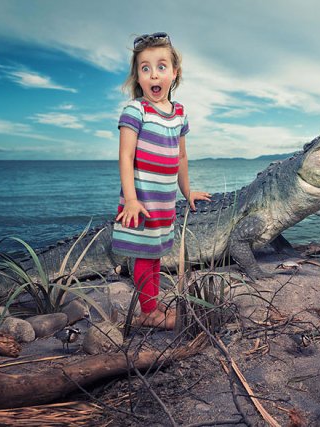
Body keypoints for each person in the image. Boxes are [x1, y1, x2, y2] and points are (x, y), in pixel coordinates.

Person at [112, 32, 210, 329]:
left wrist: (187, 190)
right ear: (137, 77)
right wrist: (130, 199)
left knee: (155, 254)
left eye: (161, 66)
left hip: (165, 199)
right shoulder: (136, 110)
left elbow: (180, 157)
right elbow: (126, 157)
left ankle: (149, 305)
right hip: (141, 199)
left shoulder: (179, 113)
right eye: (145, 68)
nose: (154, 73)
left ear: (174, 73)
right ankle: (150, 313)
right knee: (144, 253)